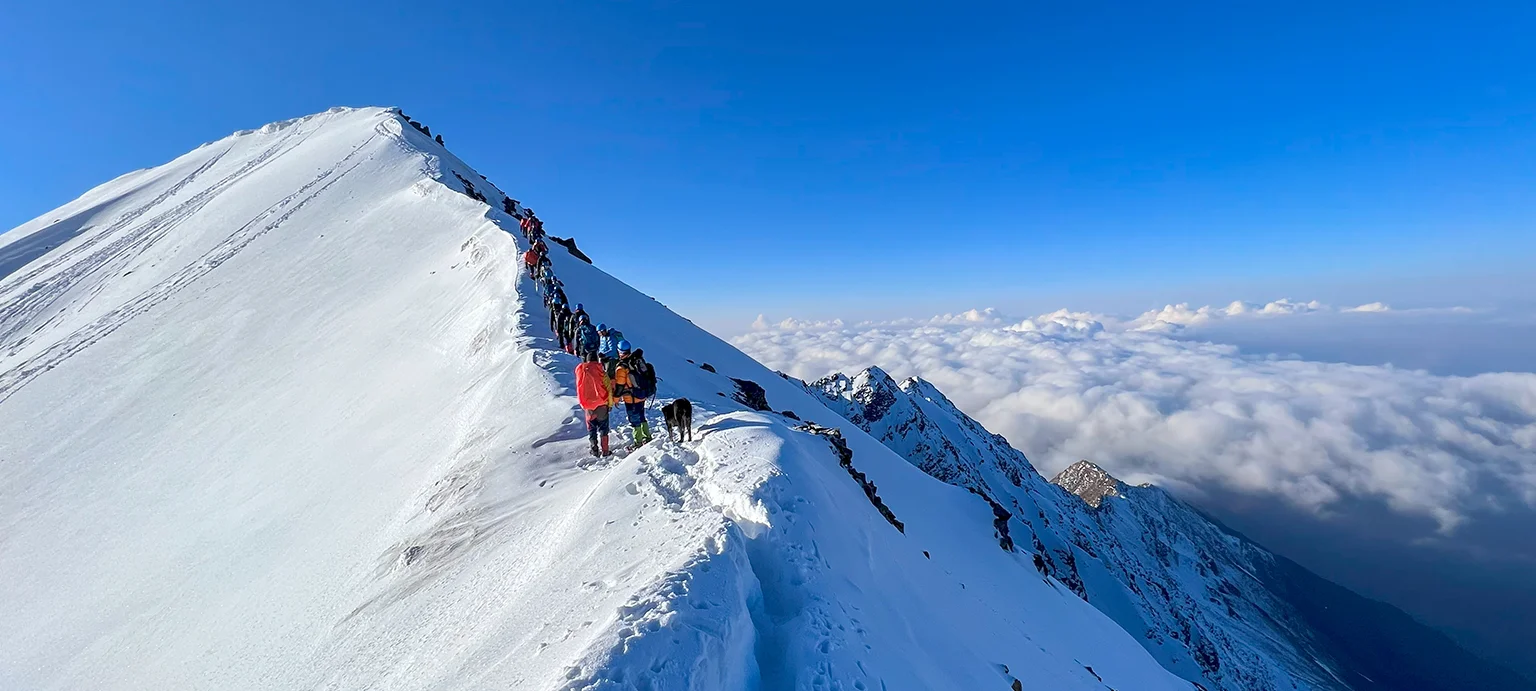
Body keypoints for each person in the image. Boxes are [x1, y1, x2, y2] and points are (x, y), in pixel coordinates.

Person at [612, 342, 655, 448]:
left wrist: (616, 398)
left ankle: (638, 442)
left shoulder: (622, 367)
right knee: (641, 416)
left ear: (620, 351)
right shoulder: (637, 360)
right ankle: (647, 436)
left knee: (634, 419)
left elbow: (620, 385)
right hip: (642, 394)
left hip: (631, 397)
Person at [575, 353, 613, 457]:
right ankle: (605, 451)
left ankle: (594, 449)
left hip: (588, 406)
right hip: (602, 404)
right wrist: (610, 404)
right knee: (603, 428)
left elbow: (579, 388)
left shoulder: (581, 372)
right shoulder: (602, 372)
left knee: (591, 429)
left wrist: (582, 404)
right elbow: (609, 389)